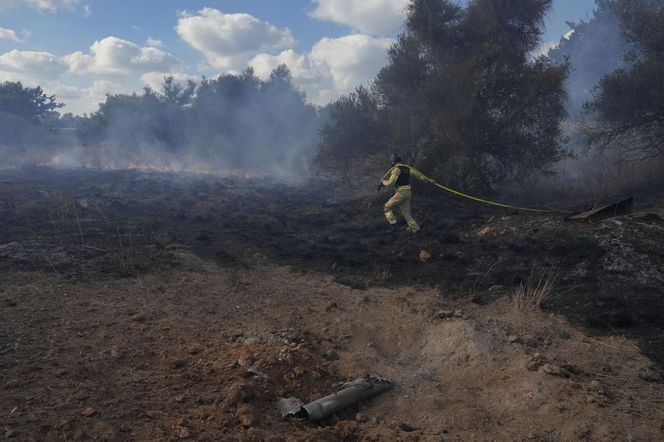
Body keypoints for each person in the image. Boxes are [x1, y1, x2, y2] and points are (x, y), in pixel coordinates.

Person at [378, 154, 430, 233]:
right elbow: (418, 175)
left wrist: (383, 183)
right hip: (408, 192)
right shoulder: (407, 168)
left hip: (401, 193)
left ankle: (394, 225)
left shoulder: (395, 169)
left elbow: (390, 183)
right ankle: (415, 228)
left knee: (387, 207)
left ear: (393, 161)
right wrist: (428, 180)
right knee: (406, 213)